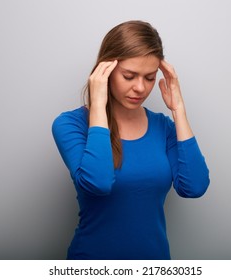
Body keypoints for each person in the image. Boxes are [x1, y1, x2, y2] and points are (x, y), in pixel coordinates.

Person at [52, 20, 210, 260]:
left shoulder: (163, 127)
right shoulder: (70, 124)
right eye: (129, 76)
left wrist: (178, 110)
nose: (140, 88)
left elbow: (195, 187)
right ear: (105, 71)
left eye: (149, 78)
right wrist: (97, 105)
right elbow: (98, 183)